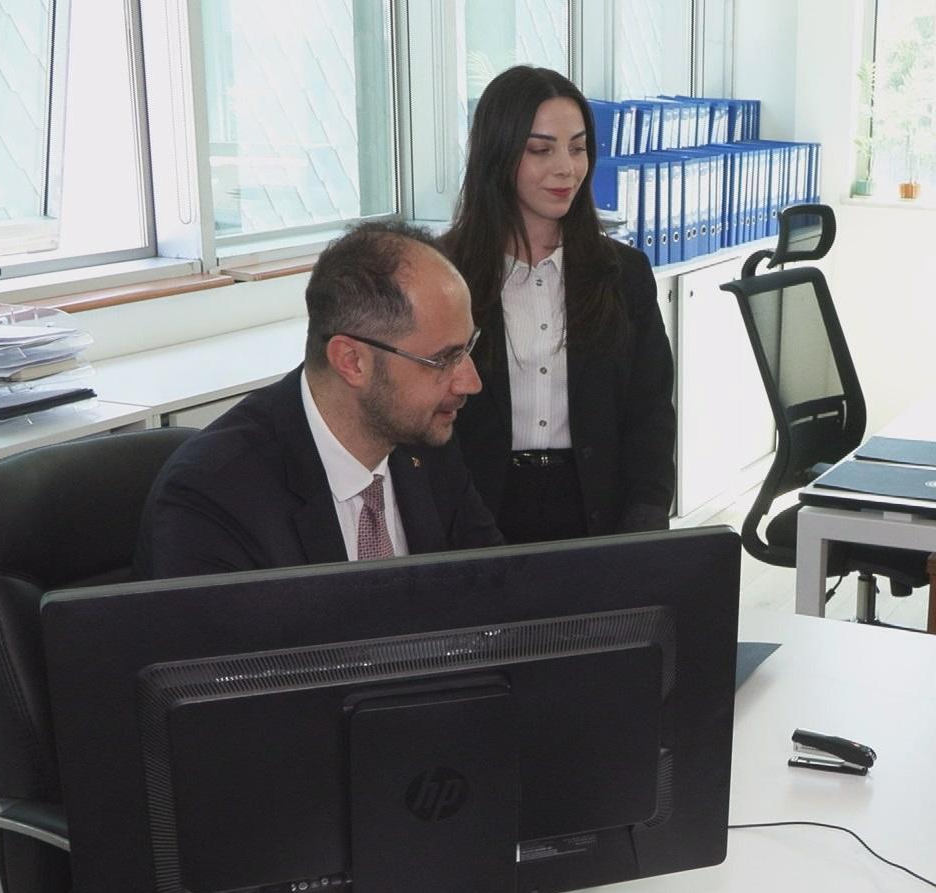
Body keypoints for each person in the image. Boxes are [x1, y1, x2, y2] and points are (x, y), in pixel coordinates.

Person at [137, 221, 503, 578]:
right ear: (352, 361)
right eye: (443, 360)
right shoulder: (213, 499)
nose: (470, 383)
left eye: (467, 348)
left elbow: (497, 589)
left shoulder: (426, 441)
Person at [439, 66, 676, 544]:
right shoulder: (443, 276)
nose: (566, 168)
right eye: (540, 149)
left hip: (597, 511)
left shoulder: (623, 273)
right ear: (498, 153)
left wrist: (645, 522)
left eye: (578, 147)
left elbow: (650, 413)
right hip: (474, 510)